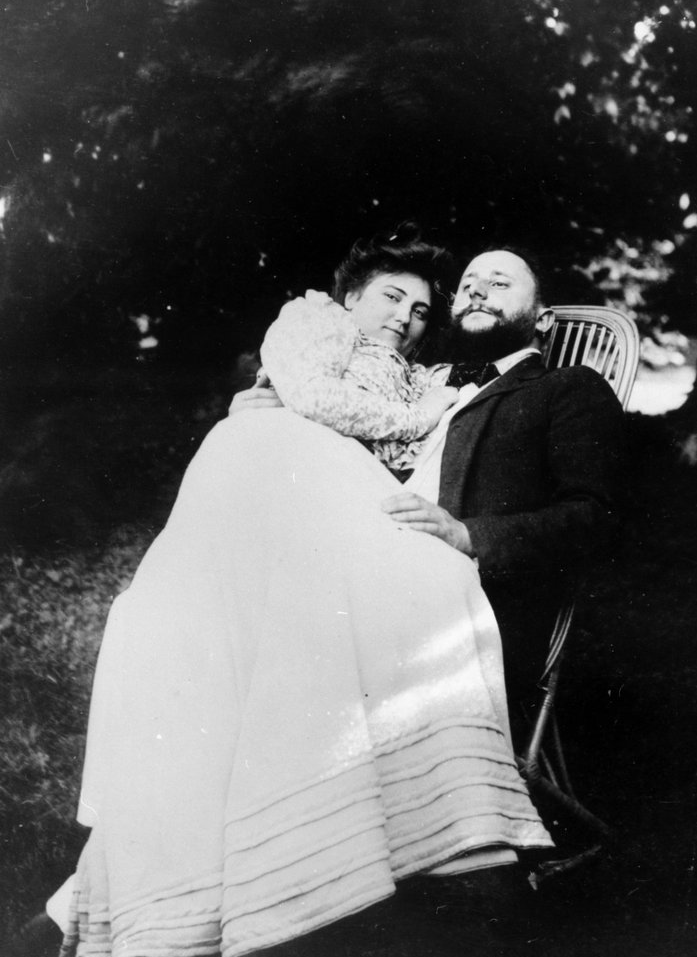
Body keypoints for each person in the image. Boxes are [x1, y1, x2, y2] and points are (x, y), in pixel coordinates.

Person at [52, 230, 552, 957]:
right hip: (268, 456)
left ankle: (308, 840)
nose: (406, 318)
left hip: (329, 475)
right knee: (228, 618)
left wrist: (414, 410)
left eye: (423, 309)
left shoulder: (423, 373)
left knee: (327, 612)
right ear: (352, 294)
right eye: (391, 296)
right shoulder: (312, 319)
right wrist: (415, 410)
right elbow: (321, 402)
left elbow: (407, 443)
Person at [237, 247, 625, 717]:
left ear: (543, 321)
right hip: (351, 551)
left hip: (454, 603)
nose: (477, 290)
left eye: (499, 283)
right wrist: (275, 408)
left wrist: (466, 534)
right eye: (468, 284)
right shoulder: (418, 381)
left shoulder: (567, 388)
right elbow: (336, 403)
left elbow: (595, 518)